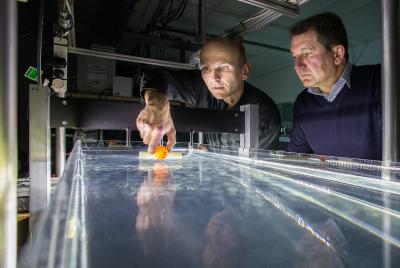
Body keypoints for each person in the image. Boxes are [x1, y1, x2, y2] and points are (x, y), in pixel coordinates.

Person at [136, 36, 281, 153]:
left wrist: (211, 154)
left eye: (223, 67)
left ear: (244, 71)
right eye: (206, 68)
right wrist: (157, 103)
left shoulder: (264, 114)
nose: (214, 78)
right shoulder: (202, 86)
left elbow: (257, 170)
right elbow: (156, 77)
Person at [287, 12, 381, 160]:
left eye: (306, 54)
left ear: (337, 54)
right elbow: (295, 159)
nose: (297, 66)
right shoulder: (303, 102)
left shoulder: (380, 80)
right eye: (295, 57)